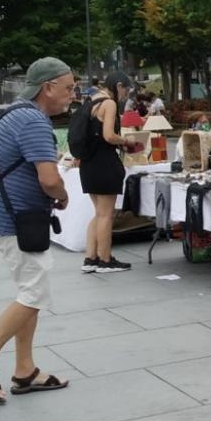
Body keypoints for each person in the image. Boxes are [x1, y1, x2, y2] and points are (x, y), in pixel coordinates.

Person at [0, 57, 74, 404]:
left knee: (30, 292)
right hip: (19, 220)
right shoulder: (34, 121)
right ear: (48, 87)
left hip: (10, 217)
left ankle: (25, 370)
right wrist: (63, 196)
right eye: (68, 88)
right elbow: (49, 178)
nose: (73, 94)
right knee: (34, 294)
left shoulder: (16, 113)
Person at [79, 71, 131, 274]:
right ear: (119, 85)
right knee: (106, 215)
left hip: (89, 164)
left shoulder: (91, 100)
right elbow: (108, 135)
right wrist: (126, 141)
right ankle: (105, 260)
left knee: (99, 213)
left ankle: (91, 258)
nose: (126, 95)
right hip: (104, 163)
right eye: (126, 90)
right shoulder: (109, 103)